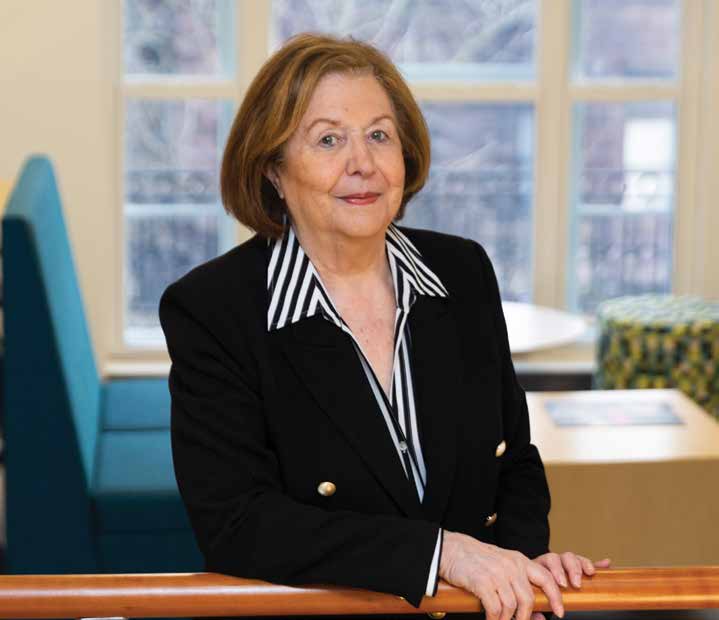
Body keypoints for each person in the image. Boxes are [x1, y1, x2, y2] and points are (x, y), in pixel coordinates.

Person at [159, 33, 610, 620]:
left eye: (379, 135)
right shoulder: (213, 309)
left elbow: (514, 460)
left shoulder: (463, 270)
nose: (363, 164)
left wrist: (519, 563)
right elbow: (238, 524)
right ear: (272, 168)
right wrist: (442, 555)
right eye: (328, 140)